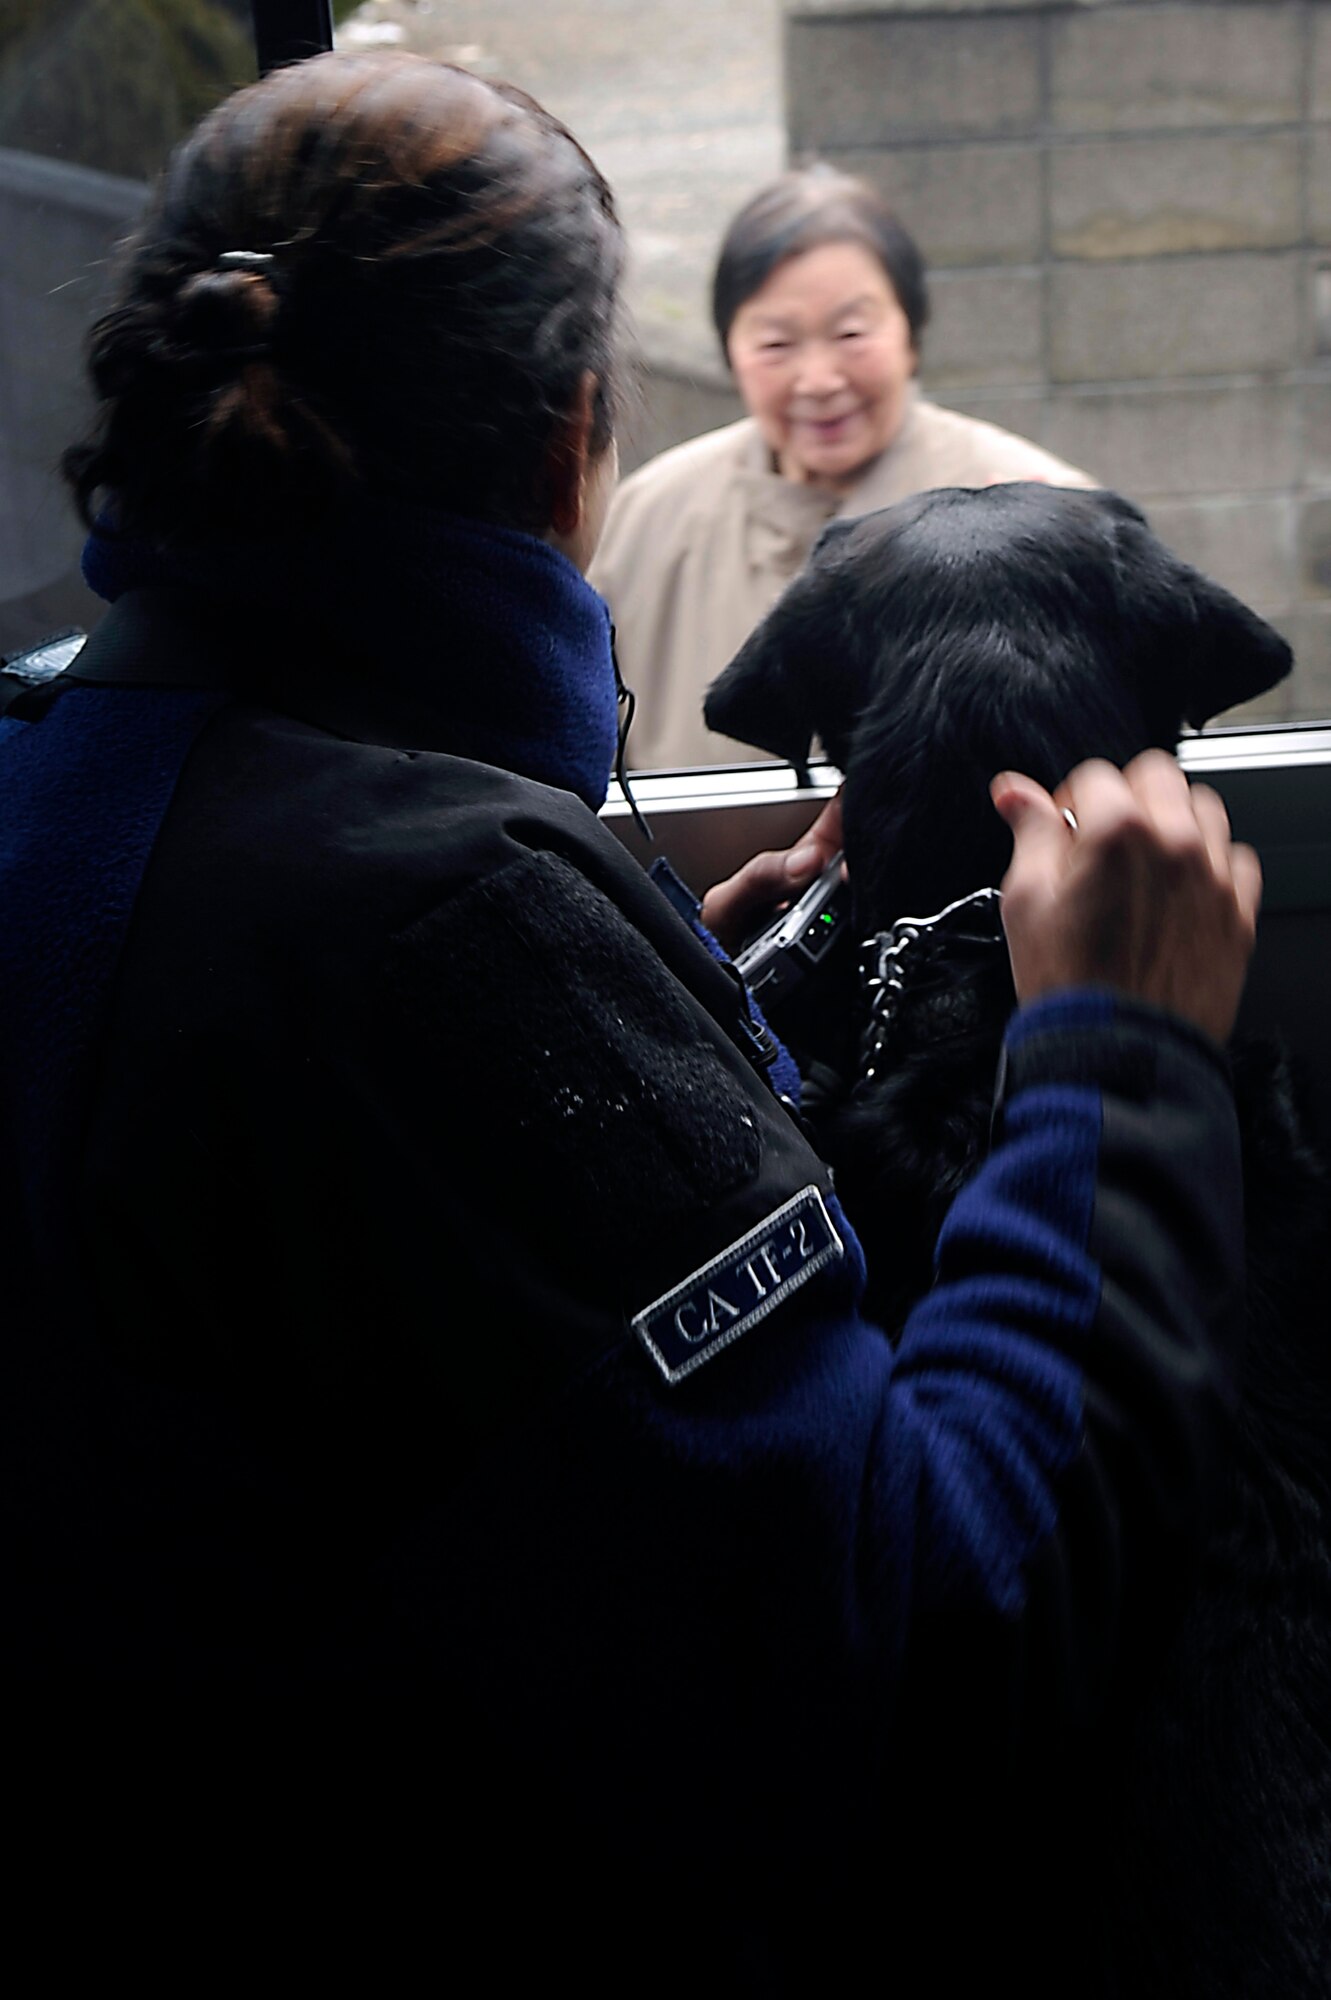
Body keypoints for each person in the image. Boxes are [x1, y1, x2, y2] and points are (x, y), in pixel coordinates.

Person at [0, 50, 1261, 1977]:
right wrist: (1121, 1064)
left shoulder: (69, 769)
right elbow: (942, 1656)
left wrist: (648, 972)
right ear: (577, 432)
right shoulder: (447, 937)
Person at [591, 167, 1094, 769]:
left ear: (912, 332)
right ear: (731, 351)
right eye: (777, 344)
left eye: (851, 333)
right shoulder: (643, 518)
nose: (820, 380)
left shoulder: (1043, 509)